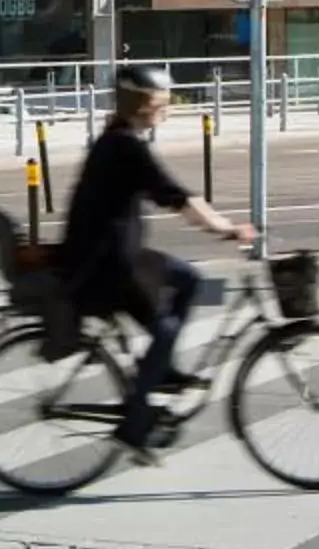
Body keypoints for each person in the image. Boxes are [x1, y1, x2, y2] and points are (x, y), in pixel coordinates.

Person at [59, 64, 257, 465]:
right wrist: (224, 228)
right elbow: (175, 195)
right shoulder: (125, 147)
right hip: (102, 265)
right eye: (161, 102)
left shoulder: (121, 140)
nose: (167, 109)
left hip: (117, 254)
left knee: (188, 278)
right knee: (165, 325)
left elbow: (169, 192)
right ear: (142, 104)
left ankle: (161, 370)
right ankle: (134, 427)